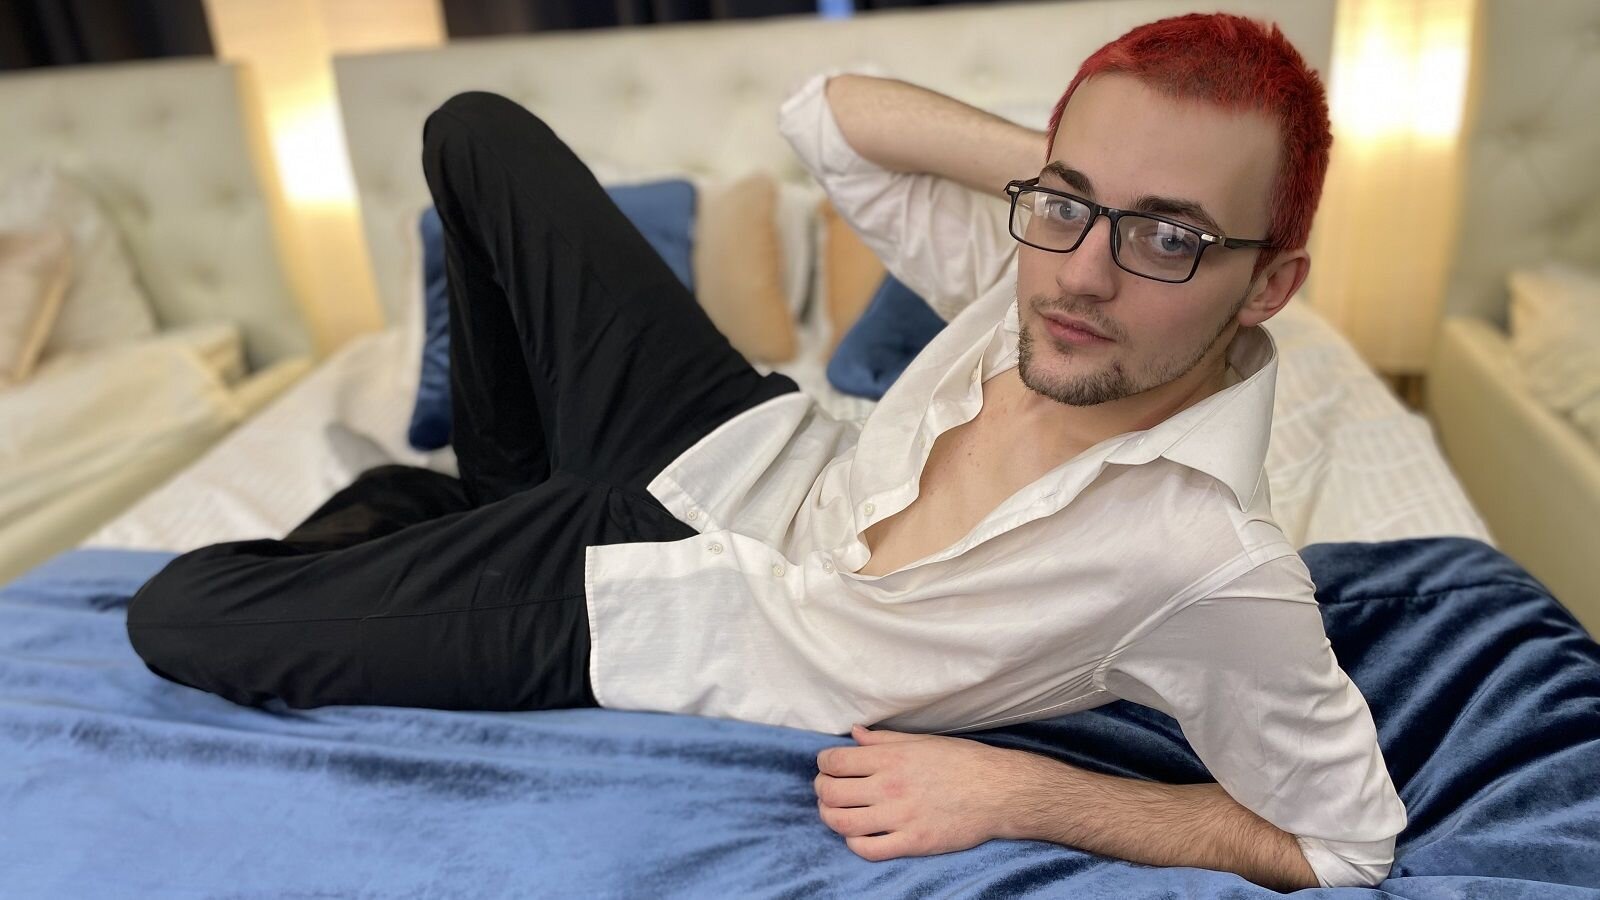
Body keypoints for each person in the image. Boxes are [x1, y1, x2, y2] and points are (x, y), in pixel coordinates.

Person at [125, 12, 1405, 891]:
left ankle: (479, 519)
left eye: (1170, 240)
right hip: (736, 436)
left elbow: (1344, 847)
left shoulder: (1210, 564)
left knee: (181, 615)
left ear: (1267, 285)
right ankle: (496, 493)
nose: (1082, 277)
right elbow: (829, 119)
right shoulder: (1037, 264)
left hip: (661, 596)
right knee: (474, 131)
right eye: (1065, 210)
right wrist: (1094, 184)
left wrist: (1021, 794)